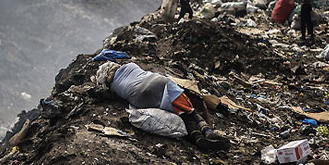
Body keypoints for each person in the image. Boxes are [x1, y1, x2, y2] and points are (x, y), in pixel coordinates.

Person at [96, 61, 229, 150]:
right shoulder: (130, 65)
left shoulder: (113, 88)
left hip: (138, 98)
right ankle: (205, 133)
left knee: (179, 114)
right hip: (157, 82)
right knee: (187, 110)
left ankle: (198, 136)